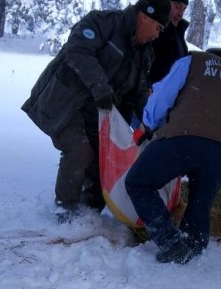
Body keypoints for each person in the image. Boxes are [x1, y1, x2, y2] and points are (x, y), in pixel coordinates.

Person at [21, 0, 171, 223]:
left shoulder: (144, 54)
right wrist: (101, 88)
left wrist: (150, 125)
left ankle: (88, 214)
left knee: (105, 164)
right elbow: (78, 51)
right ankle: (65, 213)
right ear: (144, 16)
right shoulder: (104, 23)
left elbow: (137, 95)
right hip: (64, 103)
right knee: (79, 151)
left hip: (97, 116)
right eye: (158, 27)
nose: (157, 35)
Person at [125, 48, 221, 264]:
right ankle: (194, 247)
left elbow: (164, 94)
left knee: (138, 182)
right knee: (201, 200)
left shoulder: (194, 60)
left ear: (210, 55)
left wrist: (147, 125)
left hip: (186, 137)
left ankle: (170, 241)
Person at [147, 0, 189, 85]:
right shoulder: (149, 27)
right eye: (177, 7)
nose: (180, 14)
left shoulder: (178, 31)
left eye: (183, 10)